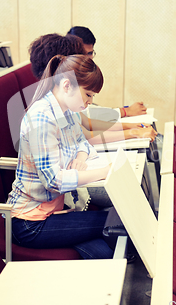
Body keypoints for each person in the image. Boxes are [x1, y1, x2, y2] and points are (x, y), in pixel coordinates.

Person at [7, 54, 113, 259]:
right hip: (30, 222)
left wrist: (80, 158)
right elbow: (53, 180)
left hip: (56, 207)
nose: (90, 102)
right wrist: (102, 173)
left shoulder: (66, 110)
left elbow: (82, 143)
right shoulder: (42, 118)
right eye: (88, 95)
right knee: (115, 222)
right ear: (67, 85)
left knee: (106, 251)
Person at [28, 33, 157, 144]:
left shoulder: (64, 99)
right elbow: (86, 136)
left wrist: (131, 126)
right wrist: (133, 132)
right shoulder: (51, 105)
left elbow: (87, 123)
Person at [67, 26, 146, 117]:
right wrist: (125, 111)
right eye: (88, 94)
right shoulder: (64, 77)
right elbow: (85, 117)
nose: (87, 59)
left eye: (90, 53)